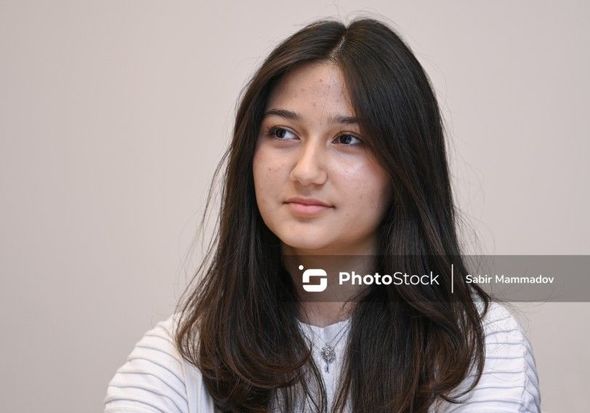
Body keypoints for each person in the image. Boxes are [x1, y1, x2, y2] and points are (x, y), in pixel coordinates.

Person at [104, 18, 541, 413]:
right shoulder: (173, 362)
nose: (306, 171)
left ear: (405, 164)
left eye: (348, 138)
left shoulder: (479, 348)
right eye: (282, 133)